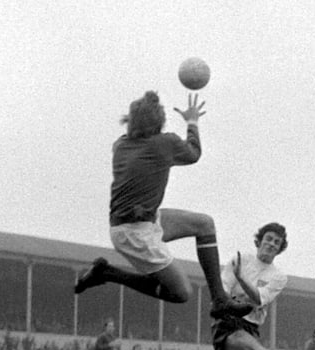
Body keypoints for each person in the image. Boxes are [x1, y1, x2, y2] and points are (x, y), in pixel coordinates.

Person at [73, 90, 251, 321]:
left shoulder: (121, 145)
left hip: (141, 221)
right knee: (181, 293)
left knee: (204, 225)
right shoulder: (164, 144)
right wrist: (192, 121)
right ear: (159, 123)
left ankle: (220, 300)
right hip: (134, 233)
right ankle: (108, 273)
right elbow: (193, 153)